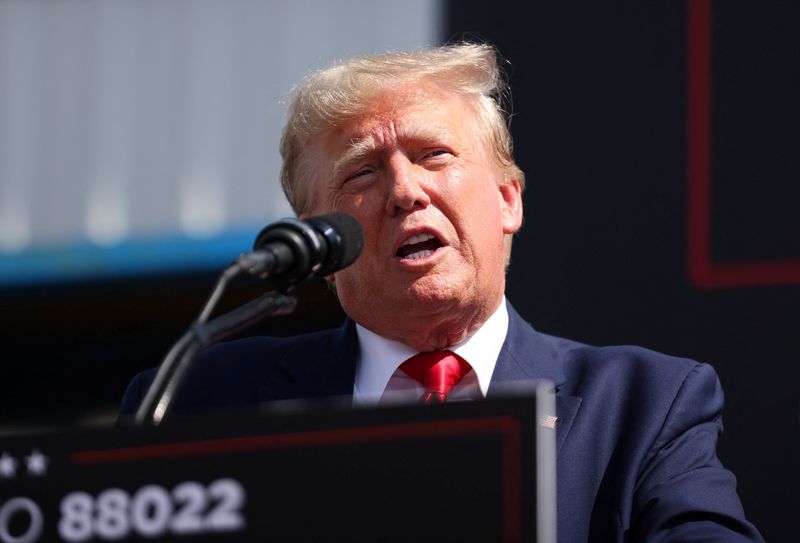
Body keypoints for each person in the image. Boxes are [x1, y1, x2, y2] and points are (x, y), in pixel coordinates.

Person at [120, 43, 763, 541]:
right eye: (363, 173)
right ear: (320, 243)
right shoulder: (204, 404)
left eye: (435, 157)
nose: (405, 191)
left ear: (507, 200)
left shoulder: (644, 406)